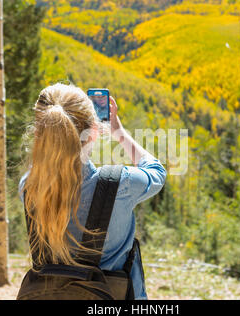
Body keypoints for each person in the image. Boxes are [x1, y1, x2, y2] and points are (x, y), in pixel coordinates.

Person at [18, 83, 167, 299]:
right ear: (93, 133)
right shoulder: (121, 185)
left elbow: (50, 165)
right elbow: (157, 172)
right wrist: (119, 132)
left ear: (39, 134)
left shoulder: (29, 186)